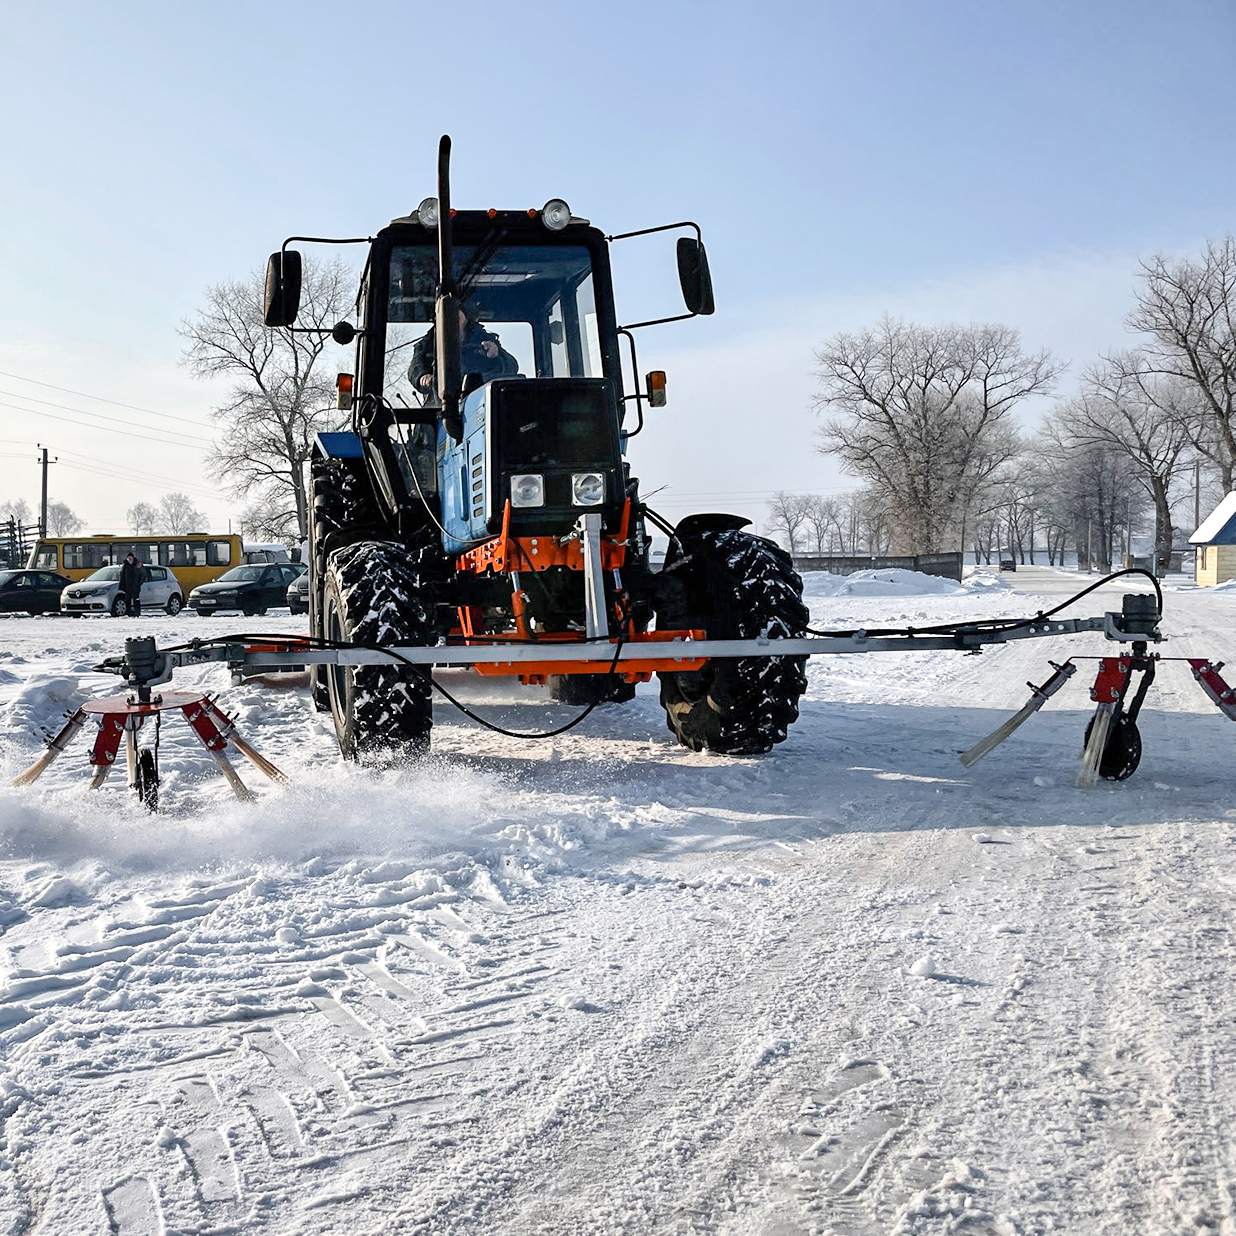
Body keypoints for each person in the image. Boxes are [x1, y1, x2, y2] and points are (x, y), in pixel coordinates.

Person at [408, 308, 519, 400]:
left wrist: (496, 356)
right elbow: (415, 369)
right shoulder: (427, 346)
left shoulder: (486, 341)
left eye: (456, 317)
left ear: (465, 318)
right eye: (447, 317)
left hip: (485, 400)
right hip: (442, 407)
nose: (452, 321)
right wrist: (423, 377)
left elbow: (512, 367)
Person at [118, 552, 144, 617]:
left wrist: (139, 583)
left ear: (133, 558)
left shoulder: (138, 565)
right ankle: (128, 613)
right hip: (127, 587)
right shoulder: (125, 566)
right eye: (128, 558)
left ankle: (137, 613)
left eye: (131, 558)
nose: (129, 559)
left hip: (136, 587)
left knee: (136, 600)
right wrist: (121, 586)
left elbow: (143, 575)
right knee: (128, 600)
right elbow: (122, 577)